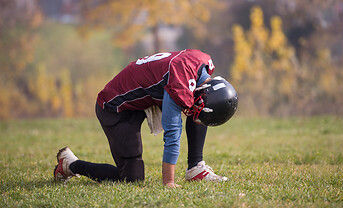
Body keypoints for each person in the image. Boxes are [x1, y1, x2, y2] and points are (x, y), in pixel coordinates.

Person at [54, 49, 238, 188]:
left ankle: (195, 168)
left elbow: (196, 99)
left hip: (145, 98)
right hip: (115, 107)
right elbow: (172, 133)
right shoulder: (180, 79)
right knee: (131, 178)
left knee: (198, 106)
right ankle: (71, 164)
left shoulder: (201, 64)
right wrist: (168, 182)